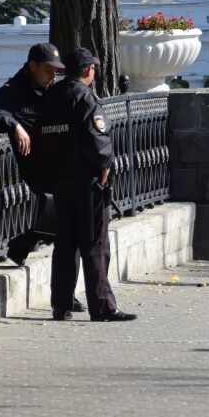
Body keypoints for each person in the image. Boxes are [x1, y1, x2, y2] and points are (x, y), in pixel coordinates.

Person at [33, 47, 137, 323]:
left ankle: (61, 305)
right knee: (95, 244)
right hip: (86, 181)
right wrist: (103, 166)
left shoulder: (52, 96)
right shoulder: (84, 97)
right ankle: (102, 306)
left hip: (60, 180)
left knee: (65, 244)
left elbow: (42, 137)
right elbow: (97, 136)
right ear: (89, 70)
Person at [0, 42, 67, 269]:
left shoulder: (52, 88)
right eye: (48, 70)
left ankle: (24, 244)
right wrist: (15, 126)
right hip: (35, 166)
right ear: (33, 65)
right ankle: (22, 245)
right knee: (66, 223)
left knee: (68, 221)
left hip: (56, 161)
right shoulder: (14, 90)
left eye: (55, 71)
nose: (53, 76)